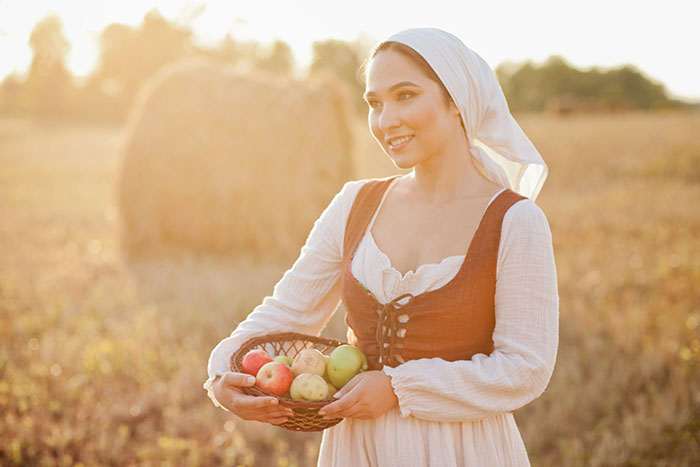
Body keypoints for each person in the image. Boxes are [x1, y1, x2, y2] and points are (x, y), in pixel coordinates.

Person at [204, 27, 559, 466]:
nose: (385, 119)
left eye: (405, 95)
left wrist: (398, 389)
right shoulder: (355, 203)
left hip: (461, 450)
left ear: (456, 102)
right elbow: (289, 311)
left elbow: (525, 368)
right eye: (374, 103)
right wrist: (224, 372)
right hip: (359, 449)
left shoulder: (515, 221)